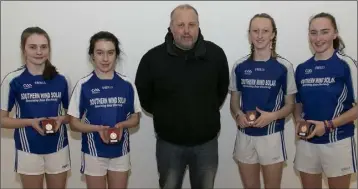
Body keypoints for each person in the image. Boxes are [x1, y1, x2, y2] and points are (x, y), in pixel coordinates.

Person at [134, 4, 229, 189]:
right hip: (169, 145)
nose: (186, 31)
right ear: (170, 27)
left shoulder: (215, 55)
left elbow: (221, 91)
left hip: (206, 145)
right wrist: (166, 113)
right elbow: (143, 97)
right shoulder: (152, 59)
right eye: (180, 25)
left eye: (191, 24)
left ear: (198, 26)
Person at [229, 13, 297, 189]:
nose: (260, 36)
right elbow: (234, 100)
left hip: (272, 136)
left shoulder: (284, 66)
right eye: (255, 31)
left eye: (265, 31)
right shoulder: (239, 66)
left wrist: (272, 116)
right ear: (249, 34)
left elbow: (290, 105)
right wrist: (238, 115)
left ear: (273, 34)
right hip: (245, 136)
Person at [67, 31, 141, 189]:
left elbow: (135, 118)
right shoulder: (83, 85)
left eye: (110, 53)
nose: (105, 58)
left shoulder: (127, 84)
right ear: (92, 55)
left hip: (120, 152)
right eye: (100, 53)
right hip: (93, 153)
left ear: (116, 55)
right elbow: (73, 123)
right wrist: (97, 129)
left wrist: (122, 125)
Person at [0, 26, 71, 189]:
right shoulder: (13, 80)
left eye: (43, 47)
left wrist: (61, 119)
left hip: (58, 146)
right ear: (23, 49)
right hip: (27, 148)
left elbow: (72, 117)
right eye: (33, 47)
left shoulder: (62, 79)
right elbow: (2, 120)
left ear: (49, 49)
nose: (39, 52)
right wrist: (30, 122)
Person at [293, 12, 357, 189]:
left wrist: (327, 125)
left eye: (324, 32)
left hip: (338, 141)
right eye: (313, 32)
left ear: (335, 34)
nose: (318, 38)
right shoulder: (302, 68)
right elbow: (298, 102)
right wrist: (298, 120)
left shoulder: (347, 64)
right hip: (307, 143)